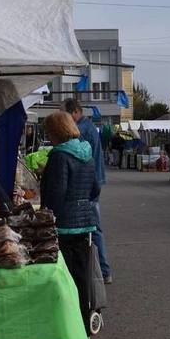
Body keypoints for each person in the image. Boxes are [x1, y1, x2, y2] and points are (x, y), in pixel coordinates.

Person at [41, 111, 100, 331]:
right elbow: (95, 189)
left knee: (65, 275)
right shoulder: (86, 152)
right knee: (82, 275)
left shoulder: (59, 156)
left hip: (64, 223)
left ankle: (69, 321)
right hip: (85, 222)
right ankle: (84, 320)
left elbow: (57, 193)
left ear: (55, 131)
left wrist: (45, 215)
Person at [64, 98, 112, 284]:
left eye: (67, 114)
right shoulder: (89, 126)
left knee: (93, 226)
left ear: (75, 111)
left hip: (89, 183)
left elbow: (78, 157)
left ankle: (103, 270)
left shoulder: (81, 129)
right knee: (93, 225)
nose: (66, 118)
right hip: (94, 180)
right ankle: (101, 269)